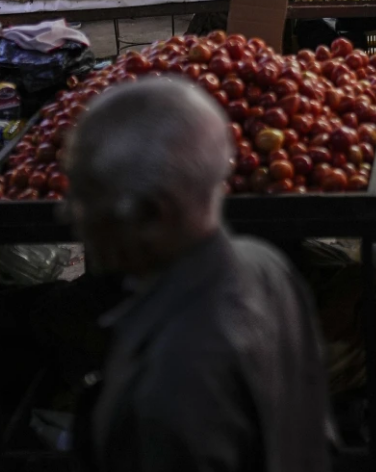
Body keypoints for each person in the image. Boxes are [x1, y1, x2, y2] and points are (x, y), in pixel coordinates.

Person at [62, 76, 330, 472]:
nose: (69, 213)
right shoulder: (268, 267)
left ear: (154, 211)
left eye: (86, 196)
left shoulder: (169, 388)